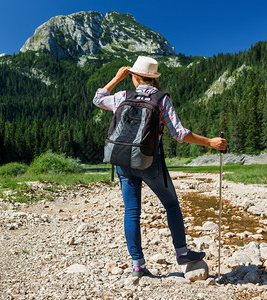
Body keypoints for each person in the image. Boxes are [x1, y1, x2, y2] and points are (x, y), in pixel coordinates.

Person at [93, 56, 227, 277]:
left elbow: (98, 99)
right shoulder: (160, 99)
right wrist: (210, 142)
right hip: (149, 162)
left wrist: (116, 79)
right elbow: (179, 134)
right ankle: (181, 252)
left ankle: (138, 266)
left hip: (122, 162)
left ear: (134, 77)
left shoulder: (122, 96)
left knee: (132, 211)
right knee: (172, 205)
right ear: (154, 79)